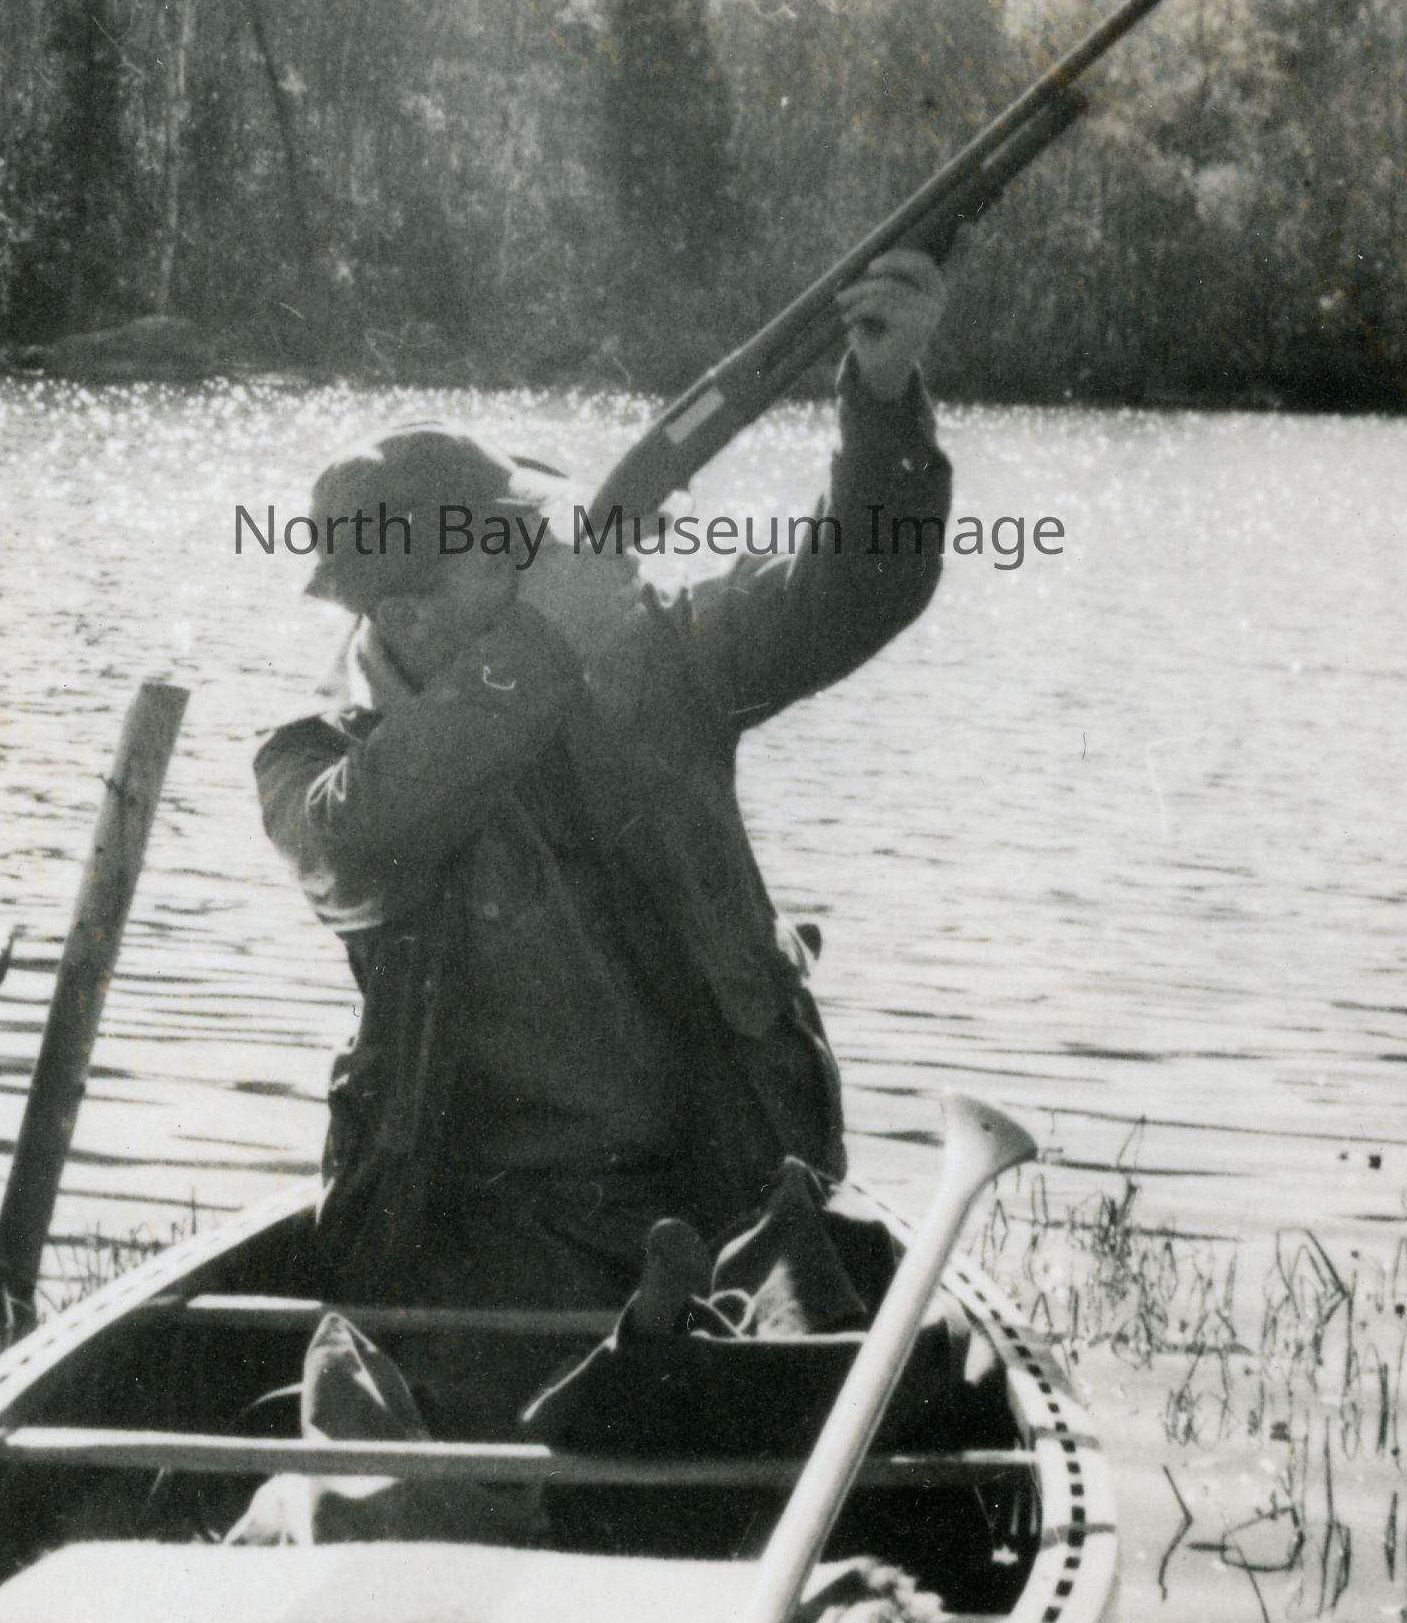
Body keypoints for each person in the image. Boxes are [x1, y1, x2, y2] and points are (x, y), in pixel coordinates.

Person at [255, 249, 953, 1430]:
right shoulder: (312, 766)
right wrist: (537, 650)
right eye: (508, 552)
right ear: (409, 611)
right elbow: (359, 845)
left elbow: (850, 591)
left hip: (730, 1196)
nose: (550, 560)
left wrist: (881, 403)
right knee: (535, 1457)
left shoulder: (648, 660)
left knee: (861, 1415)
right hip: (491, 1245)